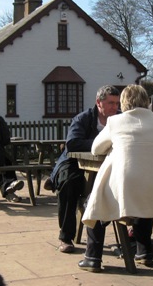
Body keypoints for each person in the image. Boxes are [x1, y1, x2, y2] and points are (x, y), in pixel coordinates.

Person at [78, 85, 153, 272]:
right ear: (146, 101)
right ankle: (144, 252)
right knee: (144, 193)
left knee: (95, 202)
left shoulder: (115, 121)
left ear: (123, 102)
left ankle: (92, 257)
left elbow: (95, 149)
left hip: (127, 187)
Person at [49, 85, 121, 254]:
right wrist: (100, 144)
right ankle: (65, 237)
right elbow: (72, 143)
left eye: (117, 103)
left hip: (110, 163)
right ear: (99, 103)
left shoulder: (120, 119)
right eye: (110, 103)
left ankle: (130, 238)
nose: (115, 107)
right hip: (74, 161)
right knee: (68, 184)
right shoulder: (83, 119)